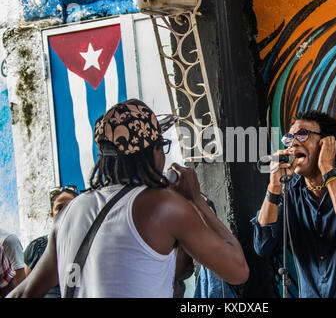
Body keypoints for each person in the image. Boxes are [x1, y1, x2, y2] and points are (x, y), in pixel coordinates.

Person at [8, 98, 249, 298]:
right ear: (150, 153)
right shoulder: (163, 206)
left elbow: (23, 293)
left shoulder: (70, 213)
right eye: (161, 146)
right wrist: (195, 200)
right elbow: (238, 270)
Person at [251, 110, 336, 298]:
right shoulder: (289, 193)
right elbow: (263, 245)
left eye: (303, 135)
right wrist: (274, 187)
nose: (293, 143)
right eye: (289, 137)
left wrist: (328, 169)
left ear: (326, 144)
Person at [23, 185, 79, 298]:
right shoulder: (37, 248)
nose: (66, 211)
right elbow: (26, 288)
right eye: (60, 207)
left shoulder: (91, 244)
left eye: (71, 206)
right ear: (52, 214)